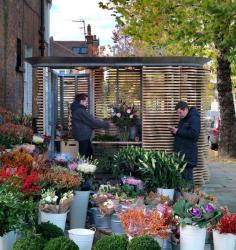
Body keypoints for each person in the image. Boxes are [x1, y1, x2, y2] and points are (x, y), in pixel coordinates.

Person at [169, 101, 201, 185]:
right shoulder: (184, 118)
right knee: (183, 179)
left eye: (180, 112)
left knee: (188, 179)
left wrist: (178, 131)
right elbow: (183, 132)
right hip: (182, 154)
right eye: (178, 113)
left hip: (188, 154)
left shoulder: (194, 118)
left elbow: (194, 134)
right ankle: (184, 196)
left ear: (186, 109)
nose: (179, 115)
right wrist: (175, 131)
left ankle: (190, 197)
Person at [71, 93, 109, 158]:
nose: (87, 103)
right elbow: (92, 122)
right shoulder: (80, 111)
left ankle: (88, 166)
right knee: (83, 156)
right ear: (81, 101)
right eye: (86, 101)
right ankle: (80, 167)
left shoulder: (79, 109)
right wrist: (106, 124)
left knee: (89, 155)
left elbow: (90, 121)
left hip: (84, 136)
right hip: (83, 136)